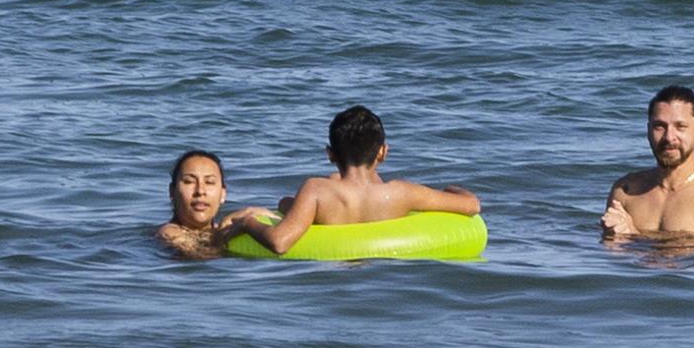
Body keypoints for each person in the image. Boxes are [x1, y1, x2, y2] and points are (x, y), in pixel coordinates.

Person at [237, 105, 481, 256]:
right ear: (383, 152)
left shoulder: (317, 191)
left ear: (330, 153)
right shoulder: (402, 193)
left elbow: (280, 243)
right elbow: (472, 205)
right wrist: (453, 189)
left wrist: (248, 224)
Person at [602, 86, 694, 241]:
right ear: (648, 131)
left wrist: (634, 235)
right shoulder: (626, 190)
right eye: (659, 127)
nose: (669, 137)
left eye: (680, 127)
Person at [154, 150, 277, 259]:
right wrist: (238, 225)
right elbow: (198, 257)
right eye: (189, 181)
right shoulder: (169, 233)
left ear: (223, 194)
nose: (200, 191)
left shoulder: (221, 228)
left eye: (210, 182)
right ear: (172, 192)